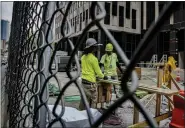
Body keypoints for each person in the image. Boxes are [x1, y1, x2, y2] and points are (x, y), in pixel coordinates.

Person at [79, 38, 104, 110]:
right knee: (93, 101)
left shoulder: (83, 57)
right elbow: (98, 72)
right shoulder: (94, 59)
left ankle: (81, 115)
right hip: (90, 84)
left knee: (83, 101)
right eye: (95, 47)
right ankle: (92, 117)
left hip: (83, 82)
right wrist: (103, 76)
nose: (96, 49)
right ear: (93, 48)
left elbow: (87, 69)